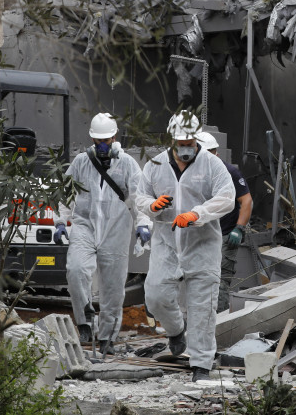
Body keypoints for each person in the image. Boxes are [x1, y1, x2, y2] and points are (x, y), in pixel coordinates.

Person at [140, 112, 235, 382]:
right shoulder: (155, 164)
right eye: (181, 141)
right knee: (155, 296)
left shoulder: (211, 164)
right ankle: (175, 331)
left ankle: (202, 365)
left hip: (202, 244)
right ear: (172, 140)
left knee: (203, 306)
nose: (186, 147)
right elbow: (139, 194)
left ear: (196, 140)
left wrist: (197, 214)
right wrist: (151, 205)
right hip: (166, 242)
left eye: (190, 142)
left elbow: (227, 198)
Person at [64, 112, 153, 356]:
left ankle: (107, 338)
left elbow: (139, 197)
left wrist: (143, 223)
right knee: (76, 269)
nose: (102, 146)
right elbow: (65, 192)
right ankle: (84, 323)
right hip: (85, 225)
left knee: (113, 288)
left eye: (106, 140)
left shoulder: (127, 164)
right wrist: (61, 220)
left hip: (116, 228)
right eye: (98, 141)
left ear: (115, 137)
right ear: (92, 140)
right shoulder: (82, 162)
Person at [196, 131, 253, 313]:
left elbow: (246, 201)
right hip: (201, 235)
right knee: (199, 279)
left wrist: (239, 228)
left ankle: (217, 322)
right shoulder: (194, 175)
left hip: (226, 234)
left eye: (213, 152)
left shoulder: (230, 172)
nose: (212, 156)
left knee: (220, 281)